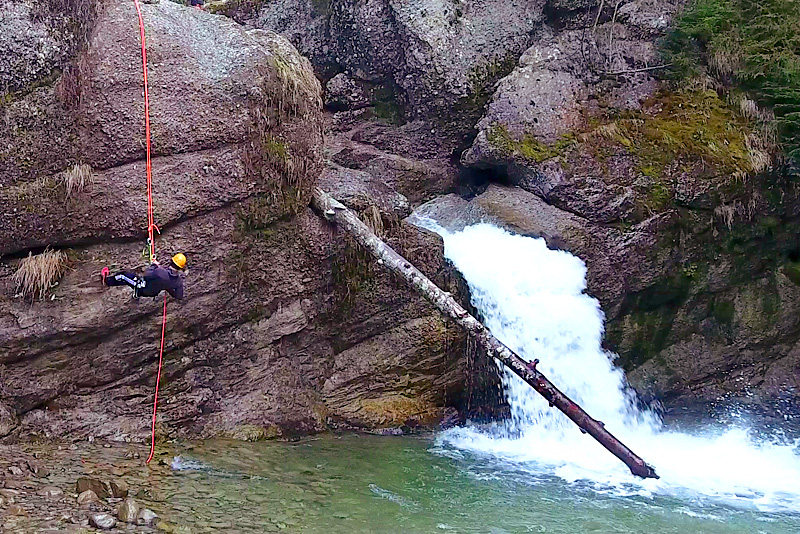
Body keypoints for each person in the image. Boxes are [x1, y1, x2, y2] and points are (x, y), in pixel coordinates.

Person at [102, 253, 187, 300]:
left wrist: (154, 265)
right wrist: (167, 287)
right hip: (152, 293)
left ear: (171, 261)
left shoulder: (159, 271)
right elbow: (179, 296)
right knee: (128, 281)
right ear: (180, 267)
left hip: (142, 287)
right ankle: (137, 293)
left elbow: (146, 274)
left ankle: (106, 281)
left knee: (123, 276)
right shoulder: (177, 281)